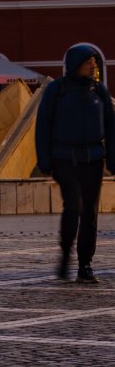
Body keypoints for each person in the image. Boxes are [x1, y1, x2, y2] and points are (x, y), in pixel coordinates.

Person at [34, 43, 115, 284]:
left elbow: (111, 128)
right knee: (74, 206)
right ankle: (66, 252)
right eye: (89, 61)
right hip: (64, 159)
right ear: (76, 64)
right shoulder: (56, 91)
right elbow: (43, 126)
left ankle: (85, 264)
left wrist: (113, 158)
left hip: (92, 160)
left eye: (94, 62)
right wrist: (44, 160)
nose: (93, 66)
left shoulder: (98, 91)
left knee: (89, 213)